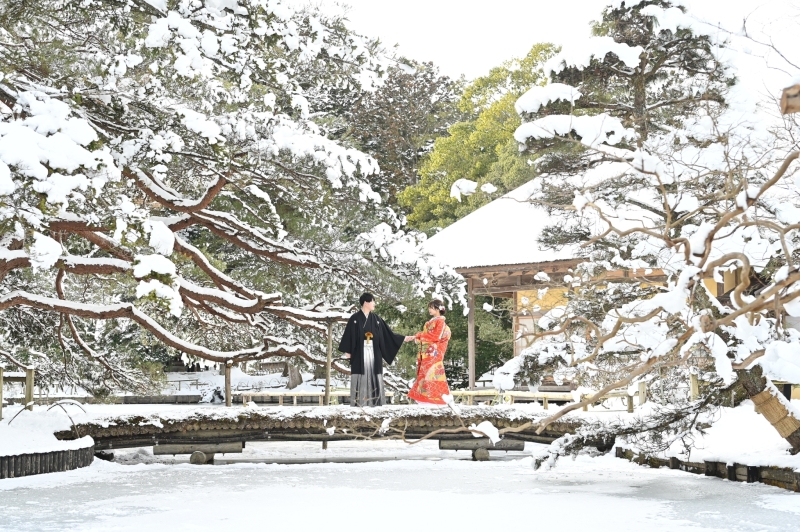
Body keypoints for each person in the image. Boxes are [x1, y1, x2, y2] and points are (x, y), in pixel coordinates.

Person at [338, 293, 414, 406]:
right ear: (366, 302)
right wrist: (348, 351)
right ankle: (359, 403)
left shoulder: (377, 319)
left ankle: (376, 402)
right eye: (373, 301)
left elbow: (388, 334)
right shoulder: (354, 319)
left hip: (374, 353)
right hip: (359, 352)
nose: (374, 304)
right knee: (360, 374)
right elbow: (349, 335)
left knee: (374, 374)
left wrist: (403, 338)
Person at [408, 299, 452, 405]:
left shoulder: (440, 321)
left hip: (434, 353)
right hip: (428, 353)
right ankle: (425, 398)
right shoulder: (430, 322)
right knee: (425, 374)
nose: (429, 310)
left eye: (431, 307)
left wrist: (420, 336)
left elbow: (436, 336)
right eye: (429, 307)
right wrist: (417, 337)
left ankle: (435, 398)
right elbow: (426, 335)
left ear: (438, 309)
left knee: (432, 374)